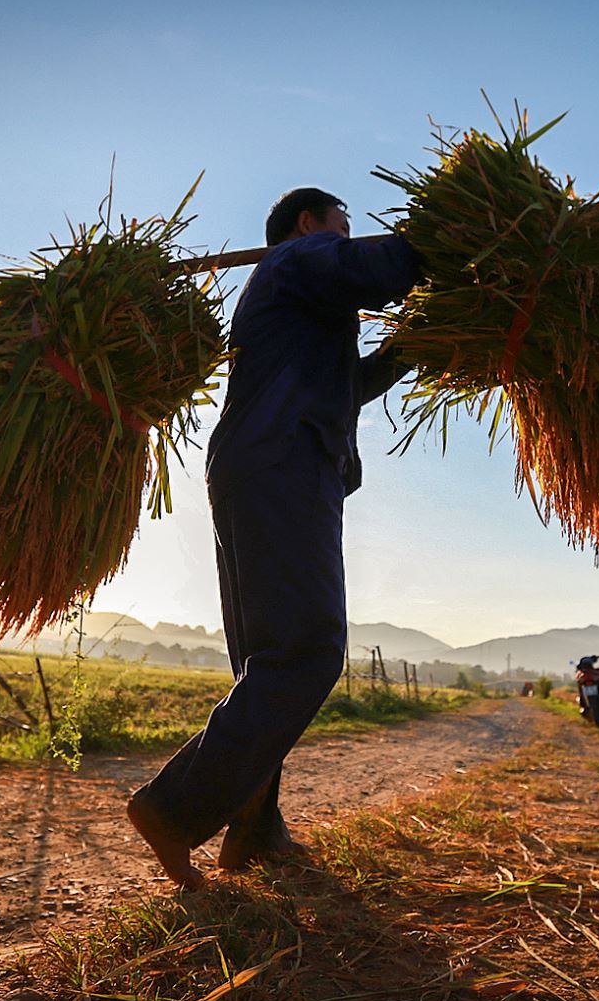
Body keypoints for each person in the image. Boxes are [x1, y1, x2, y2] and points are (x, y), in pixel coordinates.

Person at [126, 187, 423, 889]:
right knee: (307, 649)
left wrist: (415, 345)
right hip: (285, 459)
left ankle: (255, 832)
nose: (346, 238)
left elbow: (348, 383)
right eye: (342, 227)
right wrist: (435, 244)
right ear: (309, 223)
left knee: (269, 658)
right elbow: (373, 266)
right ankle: (172, 809)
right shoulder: (302, 258)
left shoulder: (300, 306)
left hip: (261, 462)